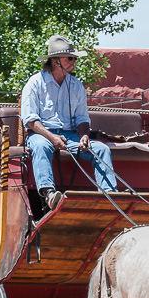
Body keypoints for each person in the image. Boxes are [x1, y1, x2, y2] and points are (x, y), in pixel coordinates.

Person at [20, 35, 121, 210]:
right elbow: (30, 119)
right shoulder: (34, 83)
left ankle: (110, 197)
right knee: (41, 146)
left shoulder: (76, 86)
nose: (74, 61)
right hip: (41, 134)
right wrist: (52, 137)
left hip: (70, 136)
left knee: (101, 149)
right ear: (55, 61)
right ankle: (49, 194)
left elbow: (82, 118)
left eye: (74, 58)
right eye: (70, 58)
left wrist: (84, 136)